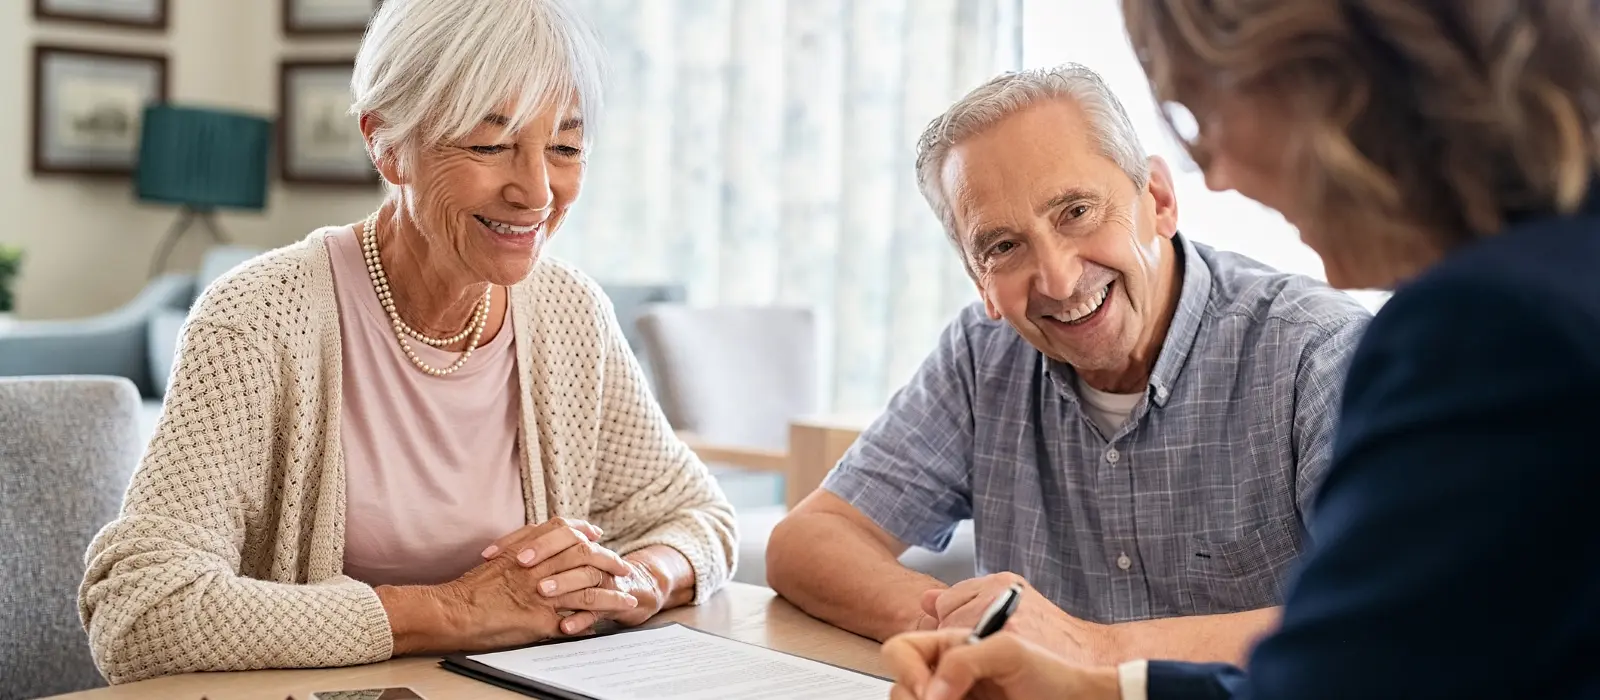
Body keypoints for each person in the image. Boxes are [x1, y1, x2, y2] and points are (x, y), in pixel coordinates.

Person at [883, 1, 1600, 698]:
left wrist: (1094, 658)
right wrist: (1097, 686)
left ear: (1337, 87)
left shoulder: (1490, 329)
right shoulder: (1553, 282)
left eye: (1206, 111)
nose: (1218, 170)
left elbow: (1361, 668)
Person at [77, 0, 736, 685]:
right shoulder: (256, 319)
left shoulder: (569, 311)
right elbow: (141, 611)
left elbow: (698, 516)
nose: (537, 192)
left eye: (565, 148)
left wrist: (637, 581)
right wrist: (455, 612)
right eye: (490, 145)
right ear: (387, 144)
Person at [766, 64, 1371, 666]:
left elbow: (1392, 616)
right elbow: (808, 540)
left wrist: (1089, 648)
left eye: (1076, 211)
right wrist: (970, 629)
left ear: (1158, 201)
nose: (1057, 280)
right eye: (1004, 247)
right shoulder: (981, 355)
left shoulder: (1318, 353)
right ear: (980, 281)